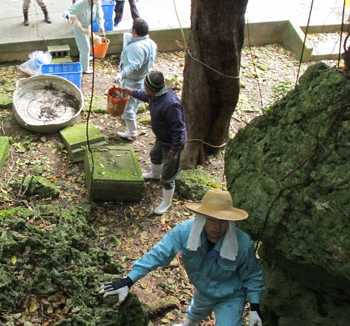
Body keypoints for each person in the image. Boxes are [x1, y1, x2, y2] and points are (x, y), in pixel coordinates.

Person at [100, 189, 264, 326]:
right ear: (203, 218)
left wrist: (255, 307)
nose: (217, 226)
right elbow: (159, 254)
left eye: (222, 221)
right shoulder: (184, 232)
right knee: (195, 313)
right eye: (211, 219)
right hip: (202, 290)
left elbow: (252, 275)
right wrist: (128, 281)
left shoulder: (242, 243)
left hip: (230, 296)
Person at [120, 71, 186, 213]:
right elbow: (144, 96)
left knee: (168, 175)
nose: (144, 87)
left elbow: (179, 129)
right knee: (155, 155)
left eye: (145, 85)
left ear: (153, 88)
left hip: (172, 144)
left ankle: (166, 202)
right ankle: (155, 174)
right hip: (161, 139)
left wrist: (174, 151)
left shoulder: (170, 104)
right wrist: (130, 91)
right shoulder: (155, 95)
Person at [113, 18, 157, 139]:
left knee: (126, 108)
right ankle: (131, 118)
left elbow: (133, 65)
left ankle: (131, 132)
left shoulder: (136, 47)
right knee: (136, 101)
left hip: (132, 81)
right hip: (144, 79)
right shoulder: (152, 43)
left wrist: (121, 74)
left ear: (134, 31)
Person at [62, 0, 104, 74]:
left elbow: (99, 14)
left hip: (87, 26)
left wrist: (101, 25)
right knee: (85, 48)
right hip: (79, 28)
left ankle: (86, 58)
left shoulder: (96, 4)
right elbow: (65, 13)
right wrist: (70, 16)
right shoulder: (80, 4)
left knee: (89, 44)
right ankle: (84, 68)